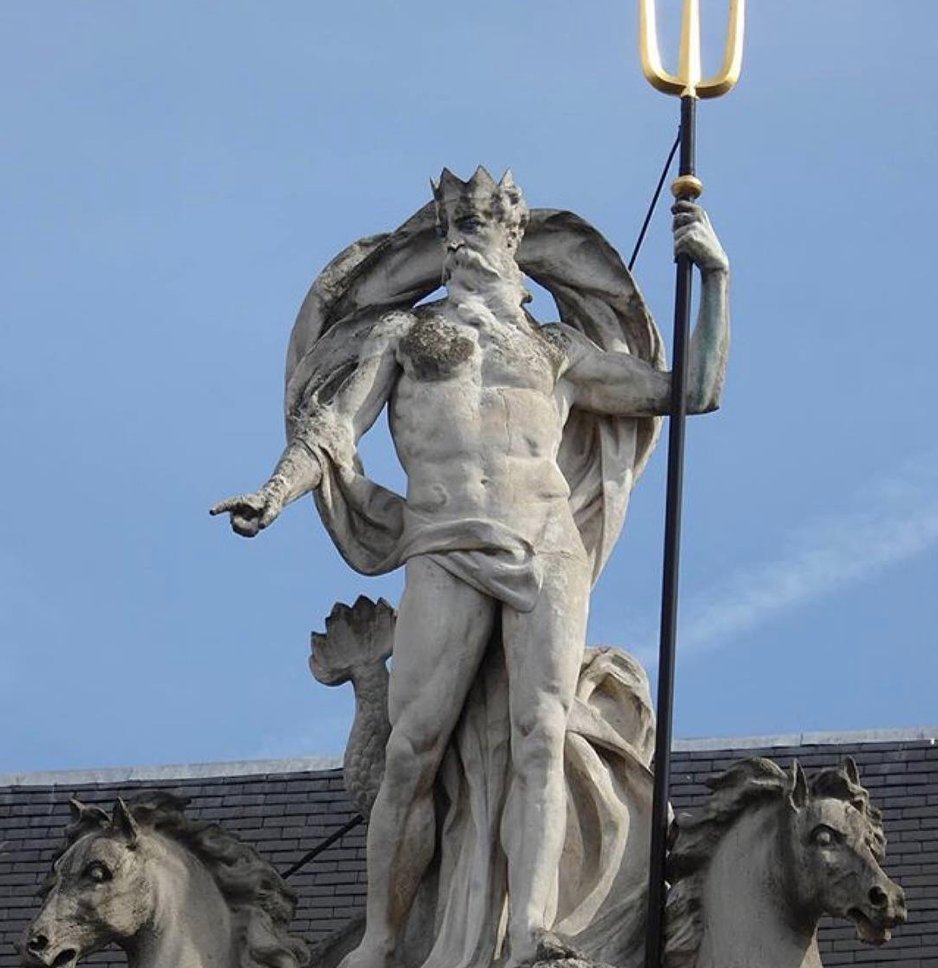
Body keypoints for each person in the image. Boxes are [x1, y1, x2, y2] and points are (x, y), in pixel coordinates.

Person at [212, 167, 730, 968]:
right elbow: (333, 430)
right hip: (445, 543)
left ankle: (530, 931)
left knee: (540, 737)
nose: (465, 238)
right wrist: (277, 491)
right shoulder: (404, 337)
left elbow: (690, 392)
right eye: (455, 224)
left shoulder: (557, 350)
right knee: (413, 748)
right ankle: (382, 940)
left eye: (483, 223)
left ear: (514, 237)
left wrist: (714, 276)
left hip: (546, 544)